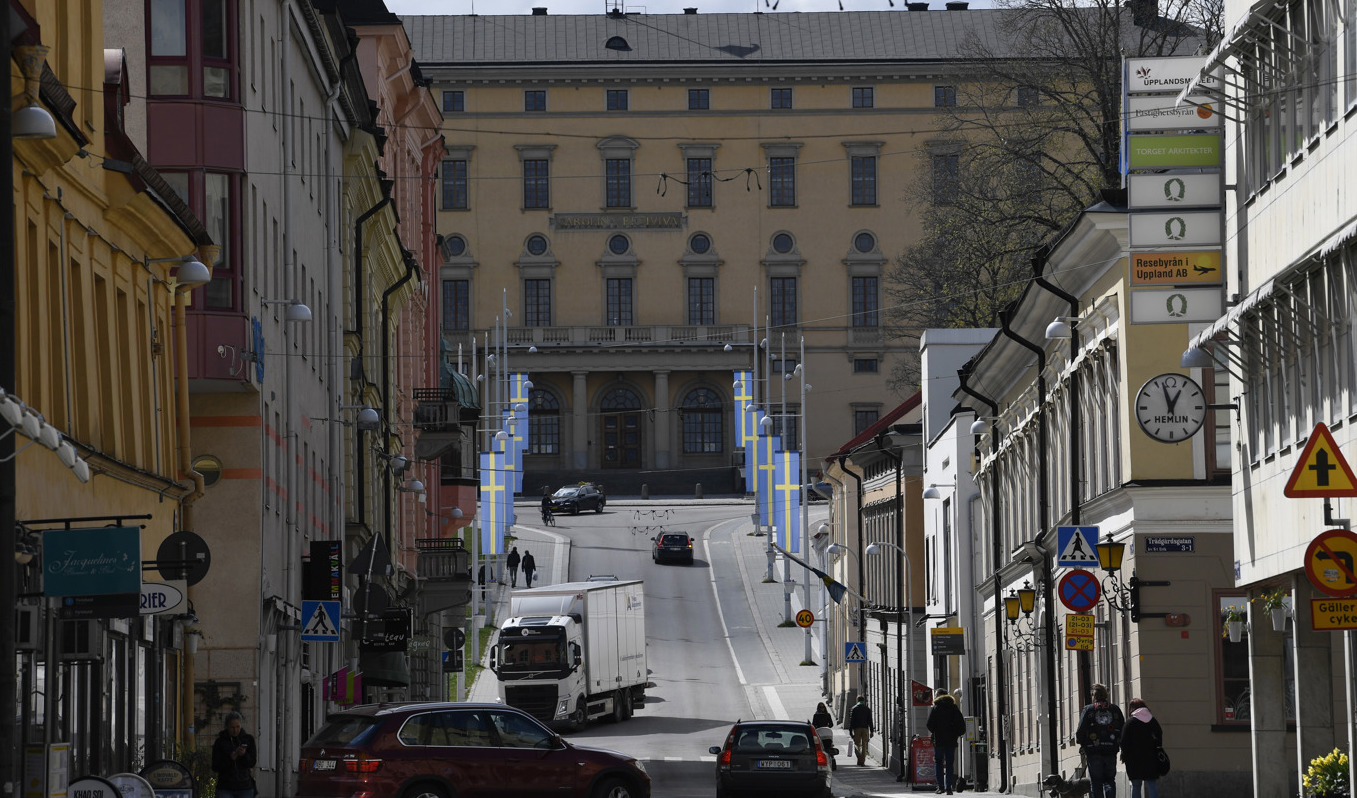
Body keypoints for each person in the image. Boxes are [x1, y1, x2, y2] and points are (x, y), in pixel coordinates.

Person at [1076, 683, 1125, 798]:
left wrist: (1082, 743)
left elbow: (1080, 731)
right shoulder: (1115, 709)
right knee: (1109, 780)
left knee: (1096, 781)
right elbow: (1122, 729)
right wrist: (1121, 746)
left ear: (1094, 695)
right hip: (1111, 750)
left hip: (1093, 751)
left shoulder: (1088, 710)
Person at [1119, 698, 1164, 798]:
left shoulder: (1130, 723)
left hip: (1133, 759)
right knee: (1152, 784)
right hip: (1151, 757)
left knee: (1136, 785)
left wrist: (1125, 755)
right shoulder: (1152, 721)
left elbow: (1123, 741)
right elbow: (1159, 735)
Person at [926, 690, 967, 795]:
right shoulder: (954, 708)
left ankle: (940, 787)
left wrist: (936, 731)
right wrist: (956, 734)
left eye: (935, 695)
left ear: (939, 696)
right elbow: (961, 724)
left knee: (938, 763)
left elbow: (929, 724)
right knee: (949, 764)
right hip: (951, 741)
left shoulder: (936, 708)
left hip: (939, 741)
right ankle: (949, 787)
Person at [212, 711, 257, 798]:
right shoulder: (220, 742)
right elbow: (215, 766)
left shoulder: (248, 739)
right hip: (225, 786)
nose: (235, 730)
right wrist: (231, 758)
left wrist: (244, 754)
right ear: (227, 727)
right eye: (232, 727)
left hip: (244, 786)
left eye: (237, 727)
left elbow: (252, 762)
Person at [848, 695, 875, 767]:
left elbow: (851, 721)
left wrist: (850, 731)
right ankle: (862, 761)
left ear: (857, 700)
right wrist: (872, 731)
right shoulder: (867, 709)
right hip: (865, 729)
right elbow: (870, 721)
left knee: (857, 744)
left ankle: (859, 757)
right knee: (864, 745)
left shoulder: (854, 709)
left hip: (857, 729)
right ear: (863, 701)